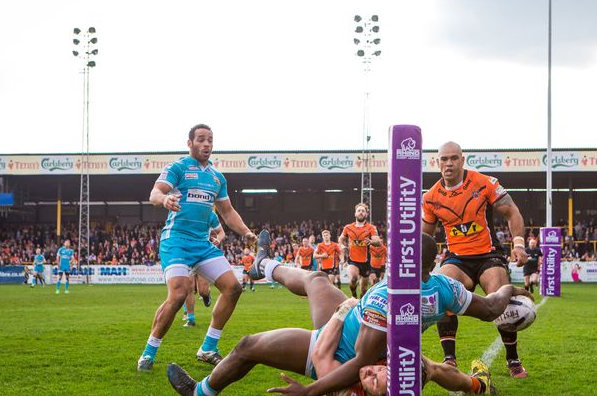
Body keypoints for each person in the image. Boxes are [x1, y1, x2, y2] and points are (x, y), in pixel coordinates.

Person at [166, 232, 528, 396]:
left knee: (248, 345)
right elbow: (492, 306)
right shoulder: (441, 288)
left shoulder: (386, 299)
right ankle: (264, 263)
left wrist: (310, 391)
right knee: (316, 278)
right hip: (351, 326)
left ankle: (200, 393)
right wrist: (512, 288)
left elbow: (358, 363)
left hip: (340, 350)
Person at [137, 124, 258, 372]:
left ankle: (208, 348)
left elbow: (227, 212)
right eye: (201, 140)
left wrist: (245, 231)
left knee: (233, 288)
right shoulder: (177, 168)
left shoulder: (217, 178)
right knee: (179, 293)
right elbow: (154, 193)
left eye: (210, 140)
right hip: (176, 241)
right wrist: (164, 199)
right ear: (190, 143)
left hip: (202, 244)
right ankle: (148, 353)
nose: (206, 144)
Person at [422, 141, 530, 378]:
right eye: (444, 159)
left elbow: (512, 211)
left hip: (489, 255)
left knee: (500, 296)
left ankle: (513, 359)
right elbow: (424, 236)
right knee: (443, 289)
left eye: (453, 158)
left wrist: (519, 245)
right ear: (436, 162)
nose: (448, 163)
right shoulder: (430, 197)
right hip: (456, 259)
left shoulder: (485, 183)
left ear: (462, 160)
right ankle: (449, 359)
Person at [183, 212, 225, 327]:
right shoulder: (185, 213)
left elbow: (220, 232)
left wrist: (217, 239)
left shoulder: (208, 214)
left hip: (202, 254)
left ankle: (206, 295)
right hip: (188, 255)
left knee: (202, 290)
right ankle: (191, 319)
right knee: (188, 287)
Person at [339, 203, 381, 298]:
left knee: (364, 289)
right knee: (353, 278)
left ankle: (360, 303)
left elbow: (378, 242)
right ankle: (354, 296)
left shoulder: (371, 228)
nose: (361, 212)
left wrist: (371, 241)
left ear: (366, 214)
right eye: (359, 211)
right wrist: (342, 245)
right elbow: (341, 238)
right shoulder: (348, 227)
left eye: (363, 211)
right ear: (355, 213)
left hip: (365, 261)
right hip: (352, 260)